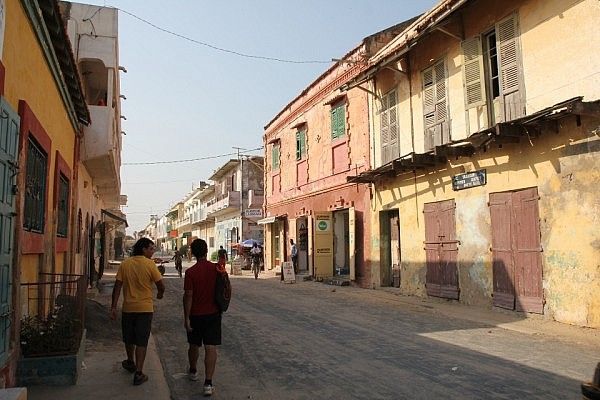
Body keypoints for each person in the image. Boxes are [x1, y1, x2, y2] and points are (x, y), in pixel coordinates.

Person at [111, 238, 165, 386]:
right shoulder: (150, 265)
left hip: (128, 308)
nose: (153, 251)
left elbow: (117, 287)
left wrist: (113, 307)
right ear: (143, 249)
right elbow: (161, 285)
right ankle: (139, 372)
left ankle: (130, 361)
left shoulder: (125, 264)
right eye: (151, 249)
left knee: (129, 337)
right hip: (145, 309)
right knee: (141, 340)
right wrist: (160, 294)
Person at [183, 239, 223, 397]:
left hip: (195, 314)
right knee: (210, 347)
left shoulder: (190, 272)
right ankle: (208, 383)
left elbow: (188, 295)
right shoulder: (216, 269)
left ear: (192, 253)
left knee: (194, 345)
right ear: (206, 251)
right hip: (213, 314)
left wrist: (186, 318)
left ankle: (193, 371)